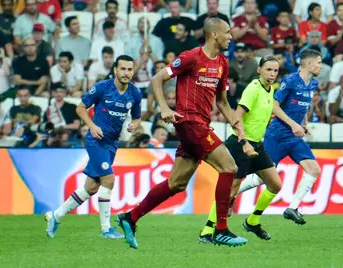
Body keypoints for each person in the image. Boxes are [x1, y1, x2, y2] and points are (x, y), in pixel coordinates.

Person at [116, 17, 249, 248]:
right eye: (227, 32)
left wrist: (239, 128)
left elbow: (223, 102)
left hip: (200, 125)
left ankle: (131, 217)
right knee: (229, 167)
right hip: (189, 122)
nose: (231, 36)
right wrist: (165, 108)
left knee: (176, 183)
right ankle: (221, 229)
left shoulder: (222, 63)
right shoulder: (191, 57)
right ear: (214, 34)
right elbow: (157, 79)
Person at [45, 55, 142, 239]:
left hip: (112, 143)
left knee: (90, 188)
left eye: (130, 69)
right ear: (115, 70)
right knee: (109, 181)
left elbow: (137, 116)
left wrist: (135, 124)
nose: (126, 73)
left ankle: (55, 216)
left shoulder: (135, 93)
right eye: (123, 69)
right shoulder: (102, 87)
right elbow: (80, 107)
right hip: (96, 141)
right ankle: (106, 229)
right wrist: (91, 125)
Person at [199, 56, 282, 242]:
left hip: (257, 145)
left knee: (275, 184)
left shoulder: (270, 91)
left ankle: (252, 222)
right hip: (241, 144)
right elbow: (236, 116)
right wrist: (244, 142)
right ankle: (207, 230)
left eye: (275, 71)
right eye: (268, 70)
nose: (272, 74)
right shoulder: (253, 89)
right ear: (259, 70)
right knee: (230, 191)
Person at [236, 49, 323, 225]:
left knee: (314, 169)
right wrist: (293, 124)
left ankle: (292, 208)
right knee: (263, 178)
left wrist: (303, 123)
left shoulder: (313, 83)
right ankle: (230, 194)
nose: (321, 66)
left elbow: (303, 106)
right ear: (309, 63)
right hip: (277, 135)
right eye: (319, 63)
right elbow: (274, 106)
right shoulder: (290, 80)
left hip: (294, 137)